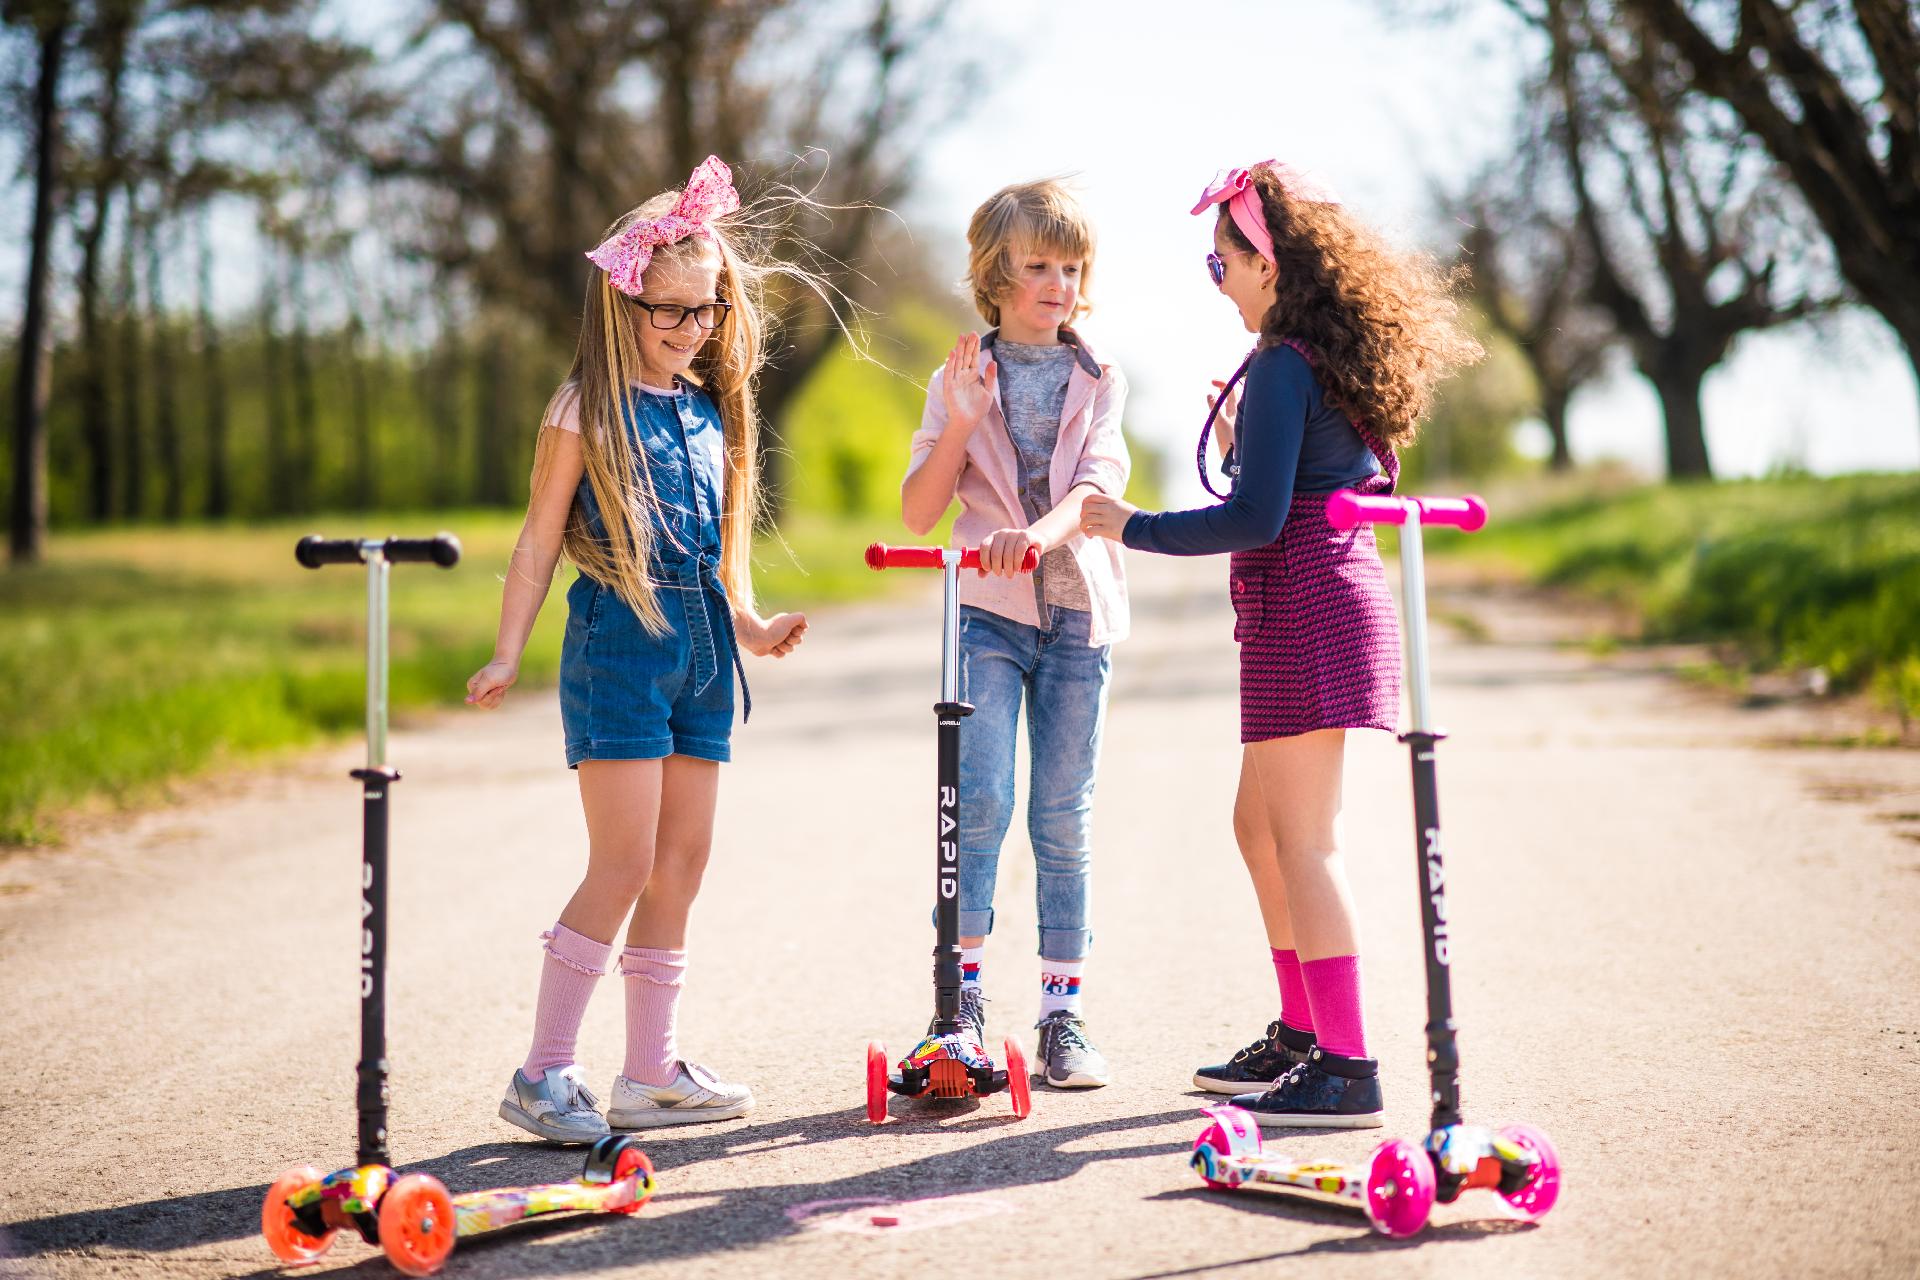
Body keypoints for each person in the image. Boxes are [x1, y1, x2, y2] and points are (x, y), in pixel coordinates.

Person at [1080, 160, 1480, 1126]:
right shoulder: (1305, 362)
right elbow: (1293, 483)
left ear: (1271, 265)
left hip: (1305, 603)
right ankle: (1303, 1036)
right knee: (1257, 829)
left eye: (1222, 263)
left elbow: (1259, 517)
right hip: (1306, 601)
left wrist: (1125, 524)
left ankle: (1347, 1064)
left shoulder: (1287, 363)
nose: (1216, 281)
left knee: (1304, 841)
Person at [466, 156, 809, 1139]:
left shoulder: (704, 412)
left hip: (703, 657)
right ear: (622, 306)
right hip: (619, 645)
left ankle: (651, 1071)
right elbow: (538, 539)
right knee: (621, 860)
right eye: (670, 312)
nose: (692, 329)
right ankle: (542, 1072)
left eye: (705, 311)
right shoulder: (585, 406)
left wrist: (753, 623)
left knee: (682, 863)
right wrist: (506, 651)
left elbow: (719, 550)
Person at [901, 179, 1131, 1088]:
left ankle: (1062, 1014)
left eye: (1072, 267)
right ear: (996, 274)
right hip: (988, 618)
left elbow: (1096, 492)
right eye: (1039, 265)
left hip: (1079, 614)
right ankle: (958, 1011)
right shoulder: (959, 378)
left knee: (1061, 817)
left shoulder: (1101, 376)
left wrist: (1033, 540)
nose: (1059, 283)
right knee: (981, 805)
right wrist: (960, 421)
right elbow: (921, 513)